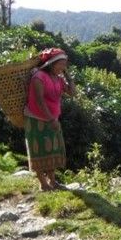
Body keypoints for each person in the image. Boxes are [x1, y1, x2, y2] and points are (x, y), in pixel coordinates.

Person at [23, 48, 76, 191]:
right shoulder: (38, 77)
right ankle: (43, 184)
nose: (63, 67)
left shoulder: (58, 79)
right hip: (36, 119)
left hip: (52, 119)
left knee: (52, 149)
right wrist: (51, 119)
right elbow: (39, 101)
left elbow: (72, 93)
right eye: (61, 64)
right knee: (38, 151)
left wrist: (68, 77)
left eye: (65, 65)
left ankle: (52, 182)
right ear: (52, 63)